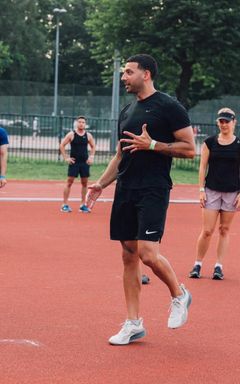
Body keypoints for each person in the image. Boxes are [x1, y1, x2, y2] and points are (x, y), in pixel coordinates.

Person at [86, 54, 196, 345]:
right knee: (128, 255)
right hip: (126, 189)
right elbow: (121, 155)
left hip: (153, 188)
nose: (123, 77)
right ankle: (133, 323)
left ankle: (179, 293)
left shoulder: (169, 106)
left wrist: (154, 145)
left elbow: (189, 149)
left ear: (146, 74)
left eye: (129, 72)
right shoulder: (127, 110)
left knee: (148, 253)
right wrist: (100, 184)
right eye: (123, 72)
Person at [189, 108, 240, 280]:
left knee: (224, 230)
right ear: (218, 123)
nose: (224, 124)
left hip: (232, 192)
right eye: (221, 121)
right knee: (208, 230)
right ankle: (198, 264)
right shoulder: (210, 142)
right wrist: (201, 190)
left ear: (234, 122)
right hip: (211, 190)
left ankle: (218, 266)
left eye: (227, 121)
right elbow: (202, 166)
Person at [59, 115, 96, 213]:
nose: (81, 124)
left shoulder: (88, 135)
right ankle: (64, 205)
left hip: (84, 163)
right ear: (76, 123)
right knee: (69, 182)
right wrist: (66, 158)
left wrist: (91, 157)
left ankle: (83, 205)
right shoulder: (71, 134)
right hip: (74, 162)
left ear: (85, 124)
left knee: (84, 183)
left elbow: (93, 146)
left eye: (83, 122)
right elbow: (62, 145)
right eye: (79, 122)